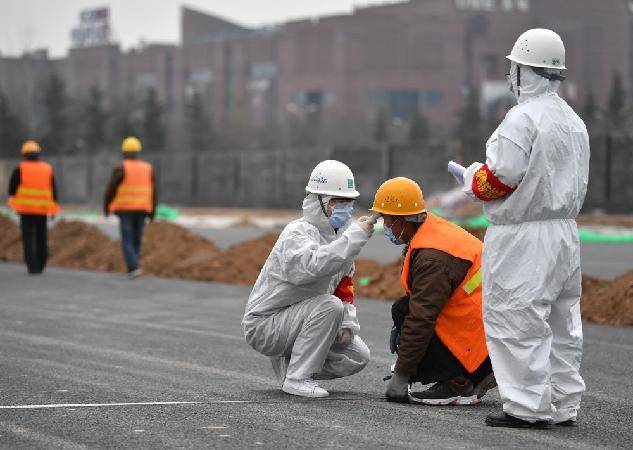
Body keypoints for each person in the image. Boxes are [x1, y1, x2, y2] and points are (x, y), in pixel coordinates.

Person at [462, 29, 590, 429]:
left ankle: (527, 407)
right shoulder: (573, 121)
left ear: (521, 71)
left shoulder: (521, 118)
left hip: (523, 235)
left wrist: (470, 180)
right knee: (561, 322)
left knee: (516, 317)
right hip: (564, 234)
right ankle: (563, 404)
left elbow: (500, 178)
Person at [242, 160, 377, 398]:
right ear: (320, 203)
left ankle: (293, 366)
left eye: (348, 202)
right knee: (329, 305)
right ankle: (297, 378)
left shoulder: (344, 241)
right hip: (265, 324)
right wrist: (352, 239)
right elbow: (311, 268)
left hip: (301, 320)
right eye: (338, 201)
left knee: (357, 356)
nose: (345, 208)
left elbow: (344, 289)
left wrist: (346, 323)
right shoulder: (297, 233)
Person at [373, 177, 495, 405]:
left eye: (387, 219)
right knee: (406, 309)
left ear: (402, 219)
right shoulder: (430, 230)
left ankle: (459, 381)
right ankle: (474, 373)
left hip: (480, 336)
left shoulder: (433, 258)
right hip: (487, 329)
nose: (385, 226)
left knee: (407, 312)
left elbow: (421, 318)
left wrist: (401, 375)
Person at [104, 137, 156, 279]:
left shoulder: (120, 168)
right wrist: (153, 212)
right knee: (136, 238)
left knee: (127, 238)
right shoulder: (147, 168)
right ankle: (134, 265)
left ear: (124, 151)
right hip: (142, 209)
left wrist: (106, 206)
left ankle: (133, 266)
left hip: (125, 209)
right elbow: (153, 191)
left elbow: (110, 189)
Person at [7, 140, 59, 274]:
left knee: (28, 238)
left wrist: (14, 202)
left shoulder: (20, 168)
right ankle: (41, 264)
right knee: (41, 236)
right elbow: (54, 190)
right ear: (38, 154)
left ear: (24, 154)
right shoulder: (47, 168)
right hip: (42, 209)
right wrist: (54, 208)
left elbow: (12, 189)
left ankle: (32, 266)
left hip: (25, 210)